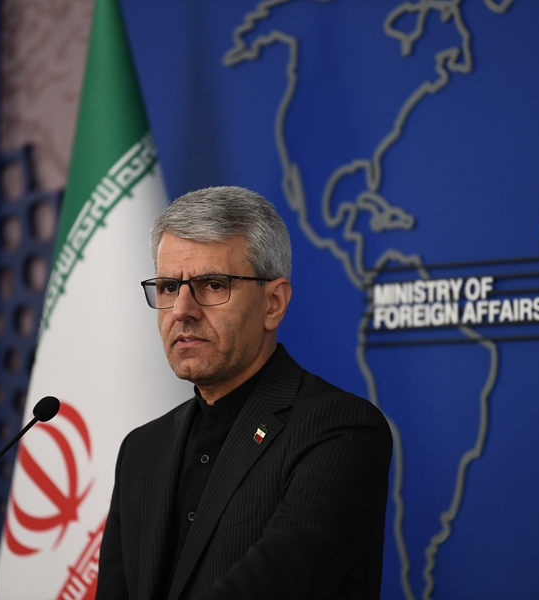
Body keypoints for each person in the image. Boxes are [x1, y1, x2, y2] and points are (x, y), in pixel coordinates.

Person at [96, 186, 392, 600]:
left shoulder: (339, 430)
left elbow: (274, 584)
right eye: (168, 287)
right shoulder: (141, 449)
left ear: (273, 303)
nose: (181, 310)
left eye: (213, 285)